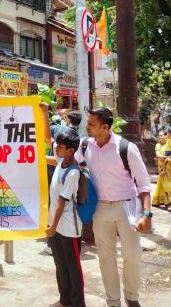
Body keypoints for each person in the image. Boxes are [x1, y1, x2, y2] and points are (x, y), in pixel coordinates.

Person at [74, 108, 152, 307]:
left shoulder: (125, 148)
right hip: (100, 209)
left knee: (132, 254)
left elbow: (143, 184)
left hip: (126, 206)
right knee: (105, 257)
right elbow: (65, 161)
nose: (86, 126)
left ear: (105, 127)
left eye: (91, 124)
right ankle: (113, 301)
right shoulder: (85, 146)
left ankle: (132, 297)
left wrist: (146, 214)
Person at [46, 130, 86, 307]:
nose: (56, 148)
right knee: (60, 264)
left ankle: (77, 303)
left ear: (70, 151)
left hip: (69, 228)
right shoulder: (61, 161)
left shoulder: (73, 172)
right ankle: (65, 299)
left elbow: (62, 203)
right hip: (56, 224)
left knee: (73, 267)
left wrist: (52, 226)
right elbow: (51, 150)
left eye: (60, 147)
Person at [152, 130, 171, 210]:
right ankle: (168, 203)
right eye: (159, 135)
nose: (160, 137)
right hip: (163, 169)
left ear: (166, 136)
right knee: (167, 186)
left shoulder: (168, 144)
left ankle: (162, 201)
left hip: (168, 168)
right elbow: (158, 154)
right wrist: (164, 158)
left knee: (163, 186)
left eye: (162, 135)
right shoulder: (158, 145)